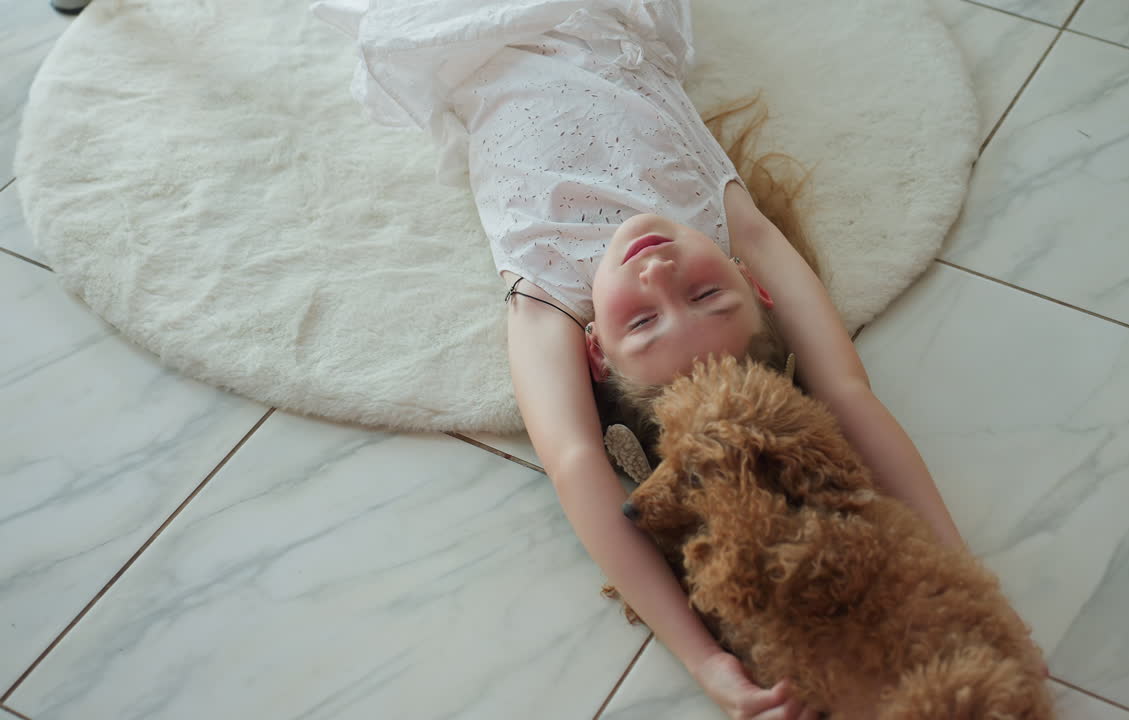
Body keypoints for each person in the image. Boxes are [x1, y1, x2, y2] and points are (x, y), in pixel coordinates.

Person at [312, 2, 968, 717]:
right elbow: (844, 391)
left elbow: (574, 463)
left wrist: (707, 659)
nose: (659, 274)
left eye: (646, 319)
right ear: (754, 283)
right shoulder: (727, 224)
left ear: (594, 350)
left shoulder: (551, 284)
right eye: (709, 294)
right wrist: (956, 575)